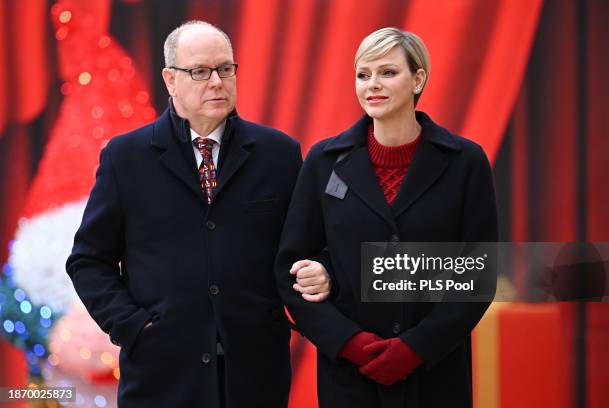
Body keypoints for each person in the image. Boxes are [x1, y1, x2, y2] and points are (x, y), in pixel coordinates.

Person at [66, 20, 331, 408]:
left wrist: (320, 269)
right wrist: (133, 326)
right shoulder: (126, 158)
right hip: (160, 374)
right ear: (171, 80)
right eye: (200, 71)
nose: (217, 82)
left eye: (225, 69)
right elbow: (88, 260)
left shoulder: (279, 154)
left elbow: (313, 243)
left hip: (256, 374)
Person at [275, 27, 498, 407]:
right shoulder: (323, 160)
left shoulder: (466, 162)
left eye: (387, 72)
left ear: (418, 79)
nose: (372, 85)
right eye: (363, 75)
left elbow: (477, 272)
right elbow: (291, 269)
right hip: (349, 378)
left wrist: (416, 348)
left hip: (435, 376)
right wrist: (350, 343)